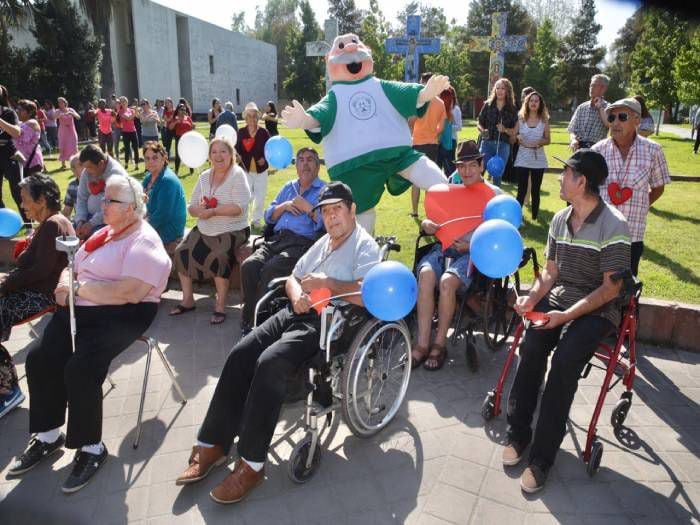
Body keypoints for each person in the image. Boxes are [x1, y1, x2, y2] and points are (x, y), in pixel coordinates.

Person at [174, 182, 380, 504]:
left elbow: (368, 295)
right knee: (241, 353)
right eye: (325, 211)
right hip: (296, 310)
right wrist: (297, 294)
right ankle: (213, 443)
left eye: (337, 208)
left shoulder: (365, 247)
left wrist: (328, 283)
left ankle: (252, 464)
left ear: (352, 211)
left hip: (329, 323)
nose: (331, 217)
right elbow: (293, 277)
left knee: (270, 362)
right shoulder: (322, 242)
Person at [8, 175, 171, 493]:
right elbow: (74, 262)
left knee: (80, 369)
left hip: (123, 313)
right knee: (41, 359)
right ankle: (48, 434)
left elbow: (129, 292)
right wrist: (65, 281)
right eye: (104, 198)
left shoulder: (144, 240)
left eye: (111, 201)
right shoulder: (105, 234)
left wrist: (78, 288)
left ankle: (91, 448)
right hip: (81, 306)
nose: (103, 205)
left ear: (132, 208)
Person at [502, 149, 631, 493]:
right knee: (531, 347)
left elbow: (609, 290)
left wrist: (566, 317)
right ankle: (518, 432)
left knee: (564, 362)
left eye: (565, 173)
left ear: (581, 181)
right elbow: (551, 271)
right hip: (561, 299)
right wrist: (532, 297)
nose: (559, 178)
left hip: (598, 309)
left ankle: (542, 458)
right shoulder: (560, 219)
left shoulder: (614, 224)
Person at [413, 141, 502, 372]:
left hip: (473, 255)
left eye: (472, 165)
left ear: (482, 165)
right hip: (443, 249)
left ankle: (439, 344)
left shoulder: (495, 195)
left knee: (446, 283)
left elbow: (502, 235)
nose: (467, 171)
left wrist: (472, 244)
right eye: (462, 166)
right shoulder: (449, 190)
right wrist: (426, 224)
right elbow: (428, 219)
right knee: (425, 275)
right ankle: (422, 344)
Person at [0, 175, 75, 419]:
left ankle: (8, 390)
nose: (21, 206)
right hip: (32, 291)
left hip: (42, 297)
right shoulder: (48, 224)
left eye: (24, 200)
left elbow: (41, 271)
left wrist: (6, 284)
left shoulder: (54, 223)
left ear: (42, 199)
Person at [239, 147, 326, 334]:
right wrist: (284, 206)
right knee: (250, 265)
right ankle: (249, 318)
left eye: (310, 159)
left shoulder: (323, 191)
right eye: (301, 159)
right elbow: (269, 216)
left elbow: (327, 225)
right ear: (296, 167)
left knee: (272, 268)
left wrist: (309, 208)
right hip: (277, 240)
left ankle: (260, 323)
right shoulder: (289, 187)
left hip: (301, 243)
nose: (305, 163)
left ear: (318, 167)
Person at [170, 137, 251, 324]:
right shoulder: (204, 176)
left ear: (231, 155)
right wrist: (198, 210)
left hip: (233, 229)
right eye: (214, 152)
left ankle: (220, 306)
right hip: (205, 227)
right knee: (182, 251)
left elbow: (240, 207)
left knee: (220, 256)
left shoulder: (237, 175)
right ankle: (188, 300)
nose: (218, 156)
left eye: (223, 151)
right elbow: (191, 205)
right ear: (209, 156)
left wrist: (214, 211)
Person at [591, 98, 671, 276]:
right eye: (611, 118)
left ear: (637, 120)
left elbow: (658, 187)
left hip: (632, 233)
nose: (615, 123)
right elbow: (589, 189)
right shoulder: (597, 151)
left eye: (622, 117)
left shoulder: (653, 151)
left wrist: (641, 206)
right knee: (596, 282)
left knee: (627, 284)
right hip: (600, 233)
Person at [142, 141, 186, 255]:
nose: (150, 161)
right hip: (153, 226)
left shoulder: (168, 180)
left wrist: (139, 229)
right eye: (147, 158)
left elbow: (162, 215)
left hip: (169, 231)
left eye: (155, 158)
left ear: (164, 158)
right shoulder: (148, 179)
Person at [411, 72, 446, 216]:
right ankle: (429, 212)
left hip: (417, 142)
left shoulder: (418, 101)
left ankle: (414, 211)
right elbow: (441, 128)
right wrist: (433, 133)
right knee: (429, 180)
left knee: (415, 180)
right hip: (432, 144)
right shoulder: (440, 103)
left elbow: (411, 121)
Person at [74, 145, 128, 239]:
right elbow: (81, 198)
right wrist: (80, 221)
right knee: (69, 233)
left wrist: (91, 224)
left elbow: (112, 208)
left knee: (94, 238)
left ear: (101, 164)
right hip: (88, 218)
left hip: (110, 221)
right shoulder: (87, 173)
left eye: (90, 167)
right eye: (85, 167)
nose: (87, 171)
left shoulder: (116, 175)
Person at [514, 91, 551, 221]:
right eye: (531, 100)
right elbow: (513, 136)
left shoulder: (544, 120)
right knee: (521, 190)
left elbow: (548, 140)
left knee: (535, 190)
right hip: (522, 157)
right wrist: (517, 136)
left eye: (536, 101)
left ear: (540, 104)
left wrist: (538, 142)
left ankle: (535, 217)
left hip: (538, 159)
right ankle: (516, 217)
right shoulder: (521, 118)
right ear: (527, 103)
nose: (534, 103)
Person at [477, 78, 518, 187]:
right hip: (487, 144)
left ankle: (496, 200)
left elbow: (514, 131)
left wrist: (504, 129)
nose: (499, 91)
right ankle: (476, 194)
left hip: (503, 146)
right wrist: (483, 130)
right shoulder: (487, 105)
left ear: (507, 91)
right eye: (497, 88)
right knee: (479, 171)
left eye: (502, 88)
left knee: (497, 175)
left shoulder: (512, 109)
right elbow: (479, 123)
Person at [235, 102, 270, 229]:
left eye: (254, 116)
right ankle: (243, 220)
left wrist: (265, 160)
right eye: (249, 116)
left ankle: (256, 221)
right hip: (245, 170)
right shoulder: (241, 132)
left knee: (260, 196)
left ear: (257, 117)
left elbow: (269, 150)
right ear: (245, 118)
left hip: (261, 170)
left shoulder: (264, 133)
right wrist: (237, 157)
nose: (252, 119)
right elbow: (236, 149)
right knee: (245, 196)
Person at [0, 85, 26, 222]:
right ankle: (3, 224)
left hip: (9, 155)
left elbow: (17, 132)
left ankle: (28, 224)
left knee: (17, 191)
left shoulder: (9, 113)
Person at [567, 74, 610, 151]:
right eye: (591, 85)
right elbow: (572, 129)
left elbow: (608, 124)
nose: (591, 88)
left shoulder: (608, 107)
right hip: (579, 150)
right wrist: (573, 140)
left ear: (603, 88)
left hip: (597, 151)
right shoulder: (582, 107)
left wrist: (600, 108)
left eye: (594, 85)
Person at [14, 99, 45, 176]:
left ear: (30, 112)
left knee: (33, 187)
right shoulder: (21, 123)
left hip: (32, 163)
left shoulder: (32, 123)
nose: (17, 111)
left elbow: (21, 138)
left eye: (21, 109)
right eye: (17, 109)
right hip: (25, 163)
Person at [169, 103, 194, 175]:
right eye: (181, 109)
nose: (183, 110)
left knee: (189, 154)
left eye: (184, 109)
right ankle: (176, 171)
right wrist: (176, 121)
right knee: (178, 155)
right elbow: (170, 127)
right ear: (178, 110)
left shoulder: (188, 118)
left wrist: (193, 127)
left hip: (188, 138)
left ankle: (191, 170)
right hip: (179, 138)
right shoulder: (176, 118)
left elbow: (191, 127)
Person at [56, 97, 80, 170]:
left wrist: (72, 114)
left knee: (73, 146)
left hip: (71, 131)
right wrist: (60, 115)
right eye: (59, 102)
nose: (60, 104)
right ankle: (63, 164)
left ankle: (76, 163)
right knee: (62, 146)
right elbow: (54, 117)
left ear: (65, 103)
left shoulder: (71, 109)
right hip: (62, 131)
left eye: (61, 102)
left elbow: (78, 117)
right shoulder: (57, 111)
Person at [117, 96, 140, 170]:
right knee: (127, 149)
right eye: (122, 101)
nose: (123, 103)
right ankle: (126, 164)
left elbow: (137, 116)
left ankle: (136, 165)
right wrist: (135, 110)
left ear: (127, 102)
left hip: (133, 131)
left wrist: (136, 110)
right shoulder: (120, 112)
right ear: (121, 103)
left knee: (136, 148)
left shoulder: (131, 110)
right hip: (125, 132)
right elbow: (129, 118)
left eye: (125, 101)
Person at [437, 88, 455, 176]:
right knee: (449, 173)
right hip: (448, 146)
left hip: (441, 146)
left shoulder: (441, 113)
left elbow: (440, 131)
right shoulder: (450, 114)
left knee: (438, 172)